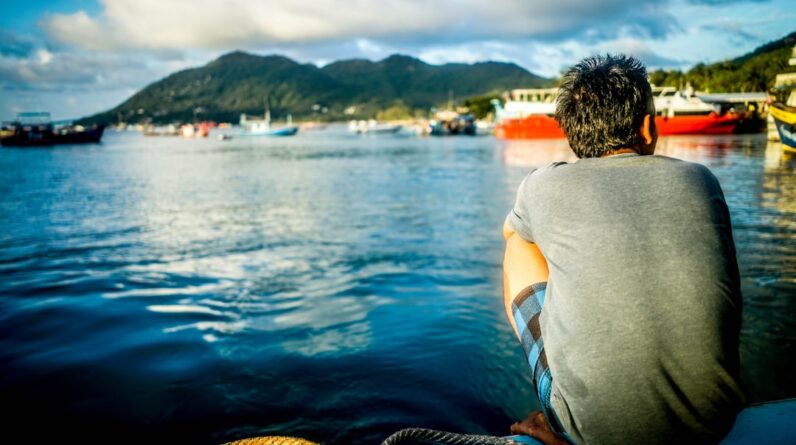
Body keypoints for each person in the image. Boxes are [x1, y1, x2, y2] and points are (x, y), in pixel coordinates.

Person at [502, 55, 745, 445]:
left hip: (593, 434)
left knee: (518, 242)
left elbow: (509, 231)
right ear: (649, 127)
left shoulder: (542, 184)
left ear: (572, 133)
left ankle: (561, 414)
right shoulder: (701, 179)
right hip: (714, 423)